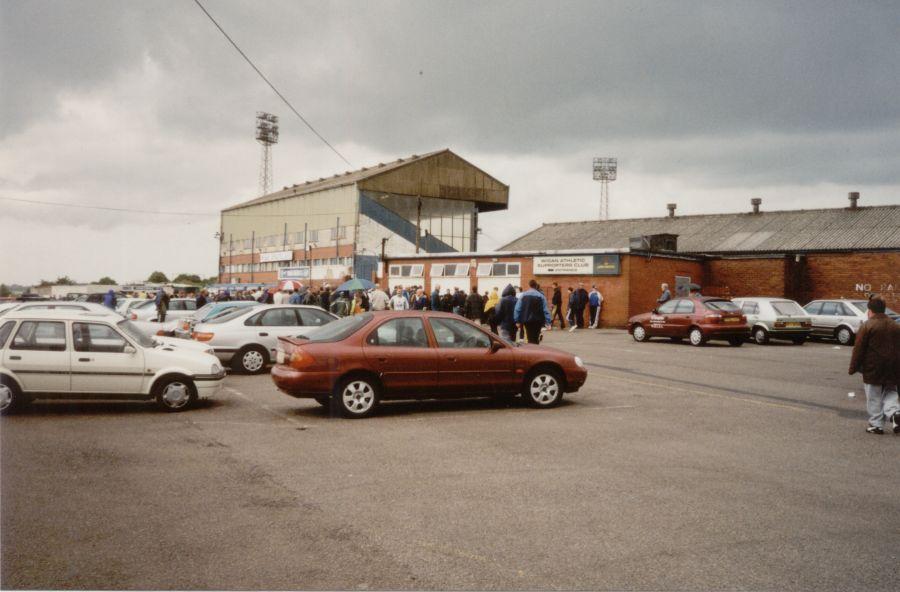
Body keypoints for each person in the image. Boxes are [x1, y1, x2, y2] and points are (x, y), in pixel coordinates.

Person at [848, 295, 900, 435]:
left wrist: (853, 368)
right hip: (894, 367)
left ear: (870, 311)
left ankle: (876, 425)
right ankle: (895, 413)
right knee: (891, 391)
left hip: (873, 367)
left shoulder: (867, 325)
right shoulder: (895, 325)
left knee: (874, 395)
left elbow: (858, 349)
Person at [514, 280, 552, 344]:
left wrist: (517, 320)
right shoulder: (541, 296)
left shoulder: (523, 295)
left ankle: (530, 350)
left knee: (529, 337)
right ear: (536, 286)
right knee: (536, 337)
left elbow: (517, 309)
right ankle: (536, 350)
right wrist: (548, 322)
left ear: (529, 285)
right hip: (538, 320)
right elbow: (545, 310)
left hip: (527, 320)